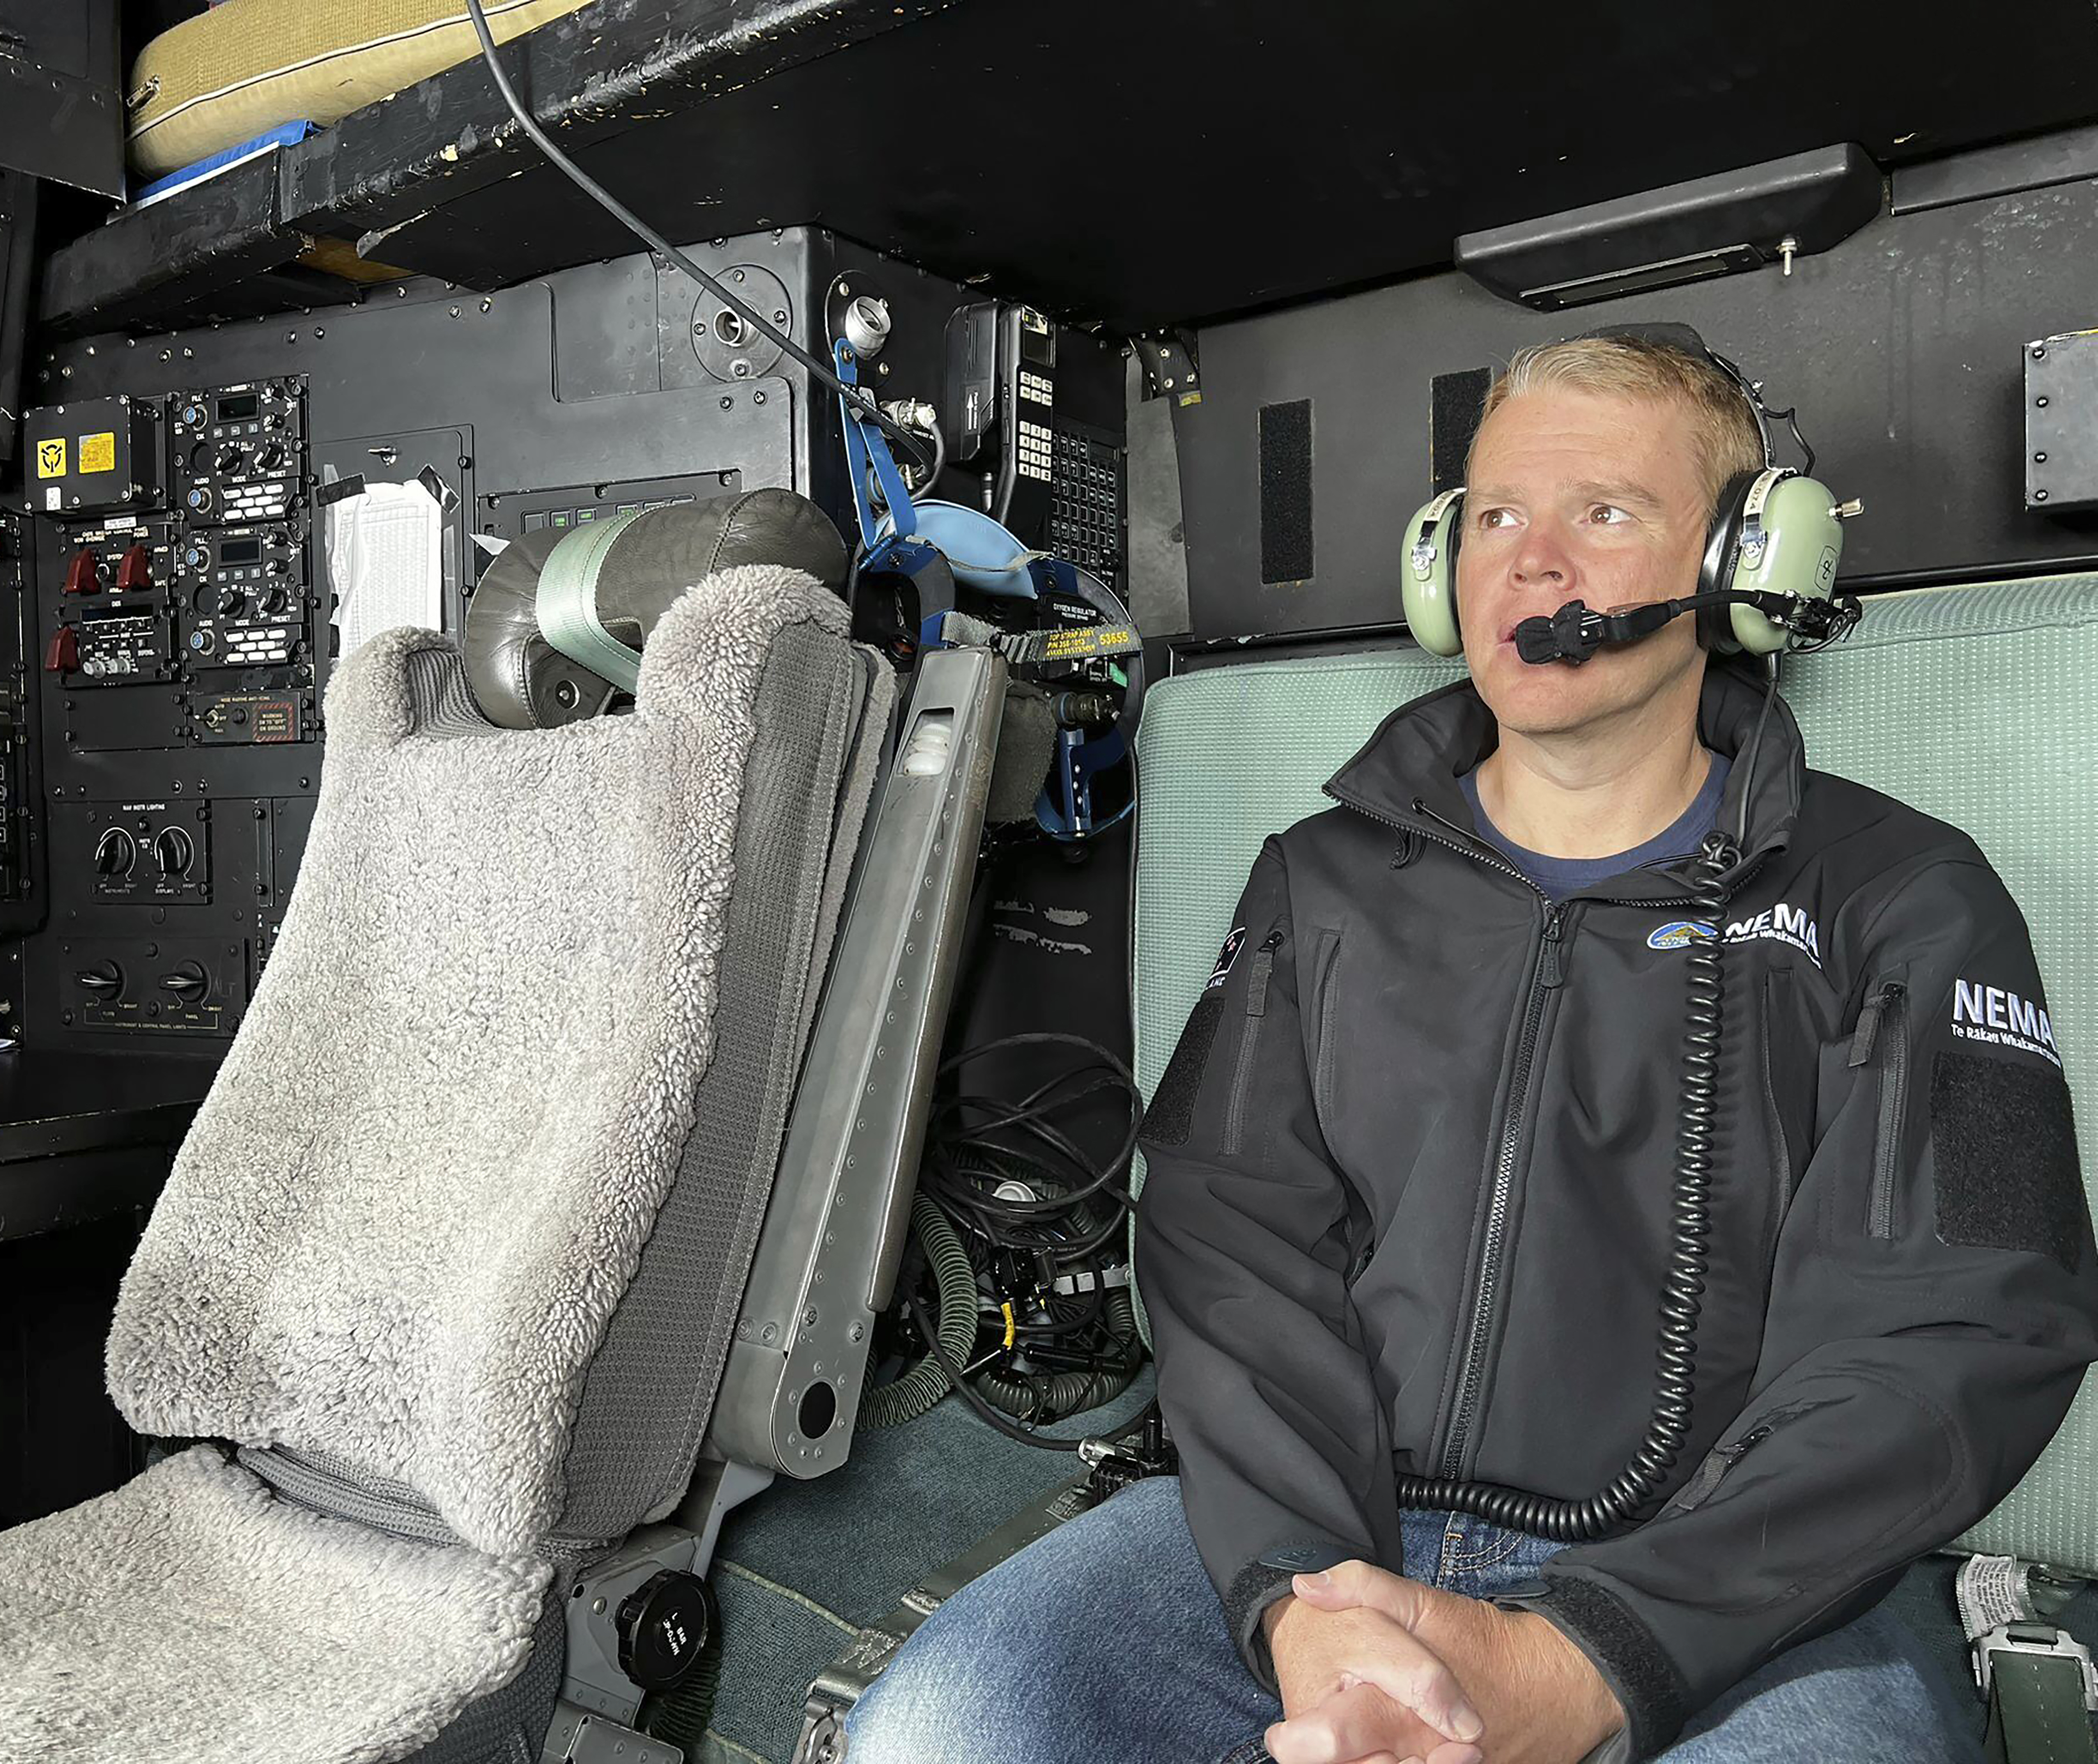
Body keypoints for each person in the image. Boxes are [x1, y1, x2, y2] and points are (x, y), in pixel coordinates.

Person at [842, 334, 2098, 1764]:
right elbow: (1225, 1239)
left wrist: (1585, 1659)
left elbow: (1954, 1332)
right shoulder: (1319, 879)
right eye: (1496, 516)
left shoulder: (1906, 903)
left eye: (1605, 514)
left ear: (1750, 566)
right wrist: (1304, 1606)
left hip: (1739, 1603)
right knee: (942, 1726)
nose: (1530, 565)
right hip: (1319, 1539)